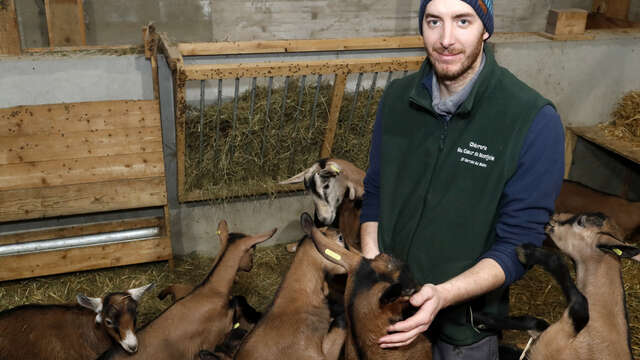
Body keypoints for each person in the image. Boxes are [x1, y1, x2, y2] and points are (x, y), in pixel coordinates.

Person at [359, 0, 565, 359]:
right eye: (433, 21)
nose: (445, 39)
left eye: (463, 21)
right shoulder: (396, 100)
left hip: (463, 329)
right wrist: (373, 274)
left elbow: (519, 244)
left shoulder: (531, 119)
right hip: (389, 312)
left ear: (486, 29)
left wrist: (444, 295)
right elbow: (375, 192)